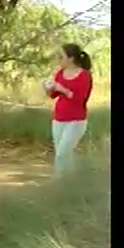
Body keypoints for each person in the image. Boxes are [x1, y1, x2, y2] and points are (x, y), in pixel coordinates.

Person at [43, 43, 93, 177]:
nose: (59, 59)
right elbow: (53, 95)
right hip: (59, 119)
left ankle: (59, 184)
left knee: (62, 154)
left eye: (61, 57)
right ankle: (70, 183)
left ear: (71, 59)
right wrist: (49, 88)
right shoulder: (60, 73)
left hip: (76, 121)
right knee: (64, 154)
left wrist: (62, 88)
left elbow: (79, 99)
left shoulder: (84, 75)